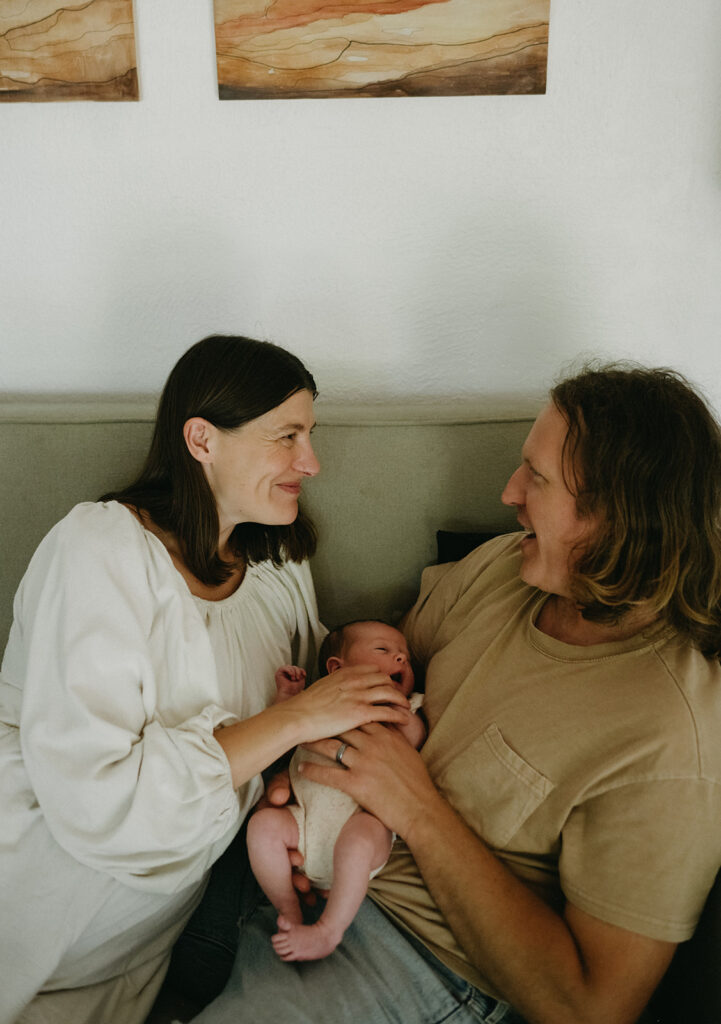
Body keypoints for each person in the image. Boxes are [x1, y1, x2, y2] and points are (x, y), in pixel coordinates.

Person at [186, 363, 721, 1024]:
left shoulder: (670, 734)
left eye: (537, 478)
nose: (507, 493)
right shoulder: (504, 569)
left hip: (417, 955)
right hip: (292, 856)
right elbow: (375, 679)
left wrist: (411, 805)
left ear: (619, 519)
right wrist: (292, 782)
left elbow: (591, 1007)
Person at [0, 335, 412, 1024]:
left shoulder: (278, 572)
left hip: (131, 941)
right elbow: (97, 803)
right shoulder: (99, 547)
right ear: (201, 439)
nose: (310, 463)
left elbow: (308, 735)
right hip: (31, 877)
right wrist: (296, 718)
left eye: (309, 436)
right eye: (287, 437)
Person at [248, 620, 426, 961]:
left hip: (361, 824)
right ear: (336, 669)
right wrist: (288, 699)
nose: (400, 659)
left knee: (360, 838)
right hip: (301, 824)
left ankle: (329, 929)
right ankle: (289, 910)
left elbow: (415, 740)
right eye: (383, 650)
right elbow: (281, 734)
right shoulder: (316, 703)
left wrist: (397, 711)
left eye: (404, 656)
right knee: (262, 826)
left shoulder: (404, 707)